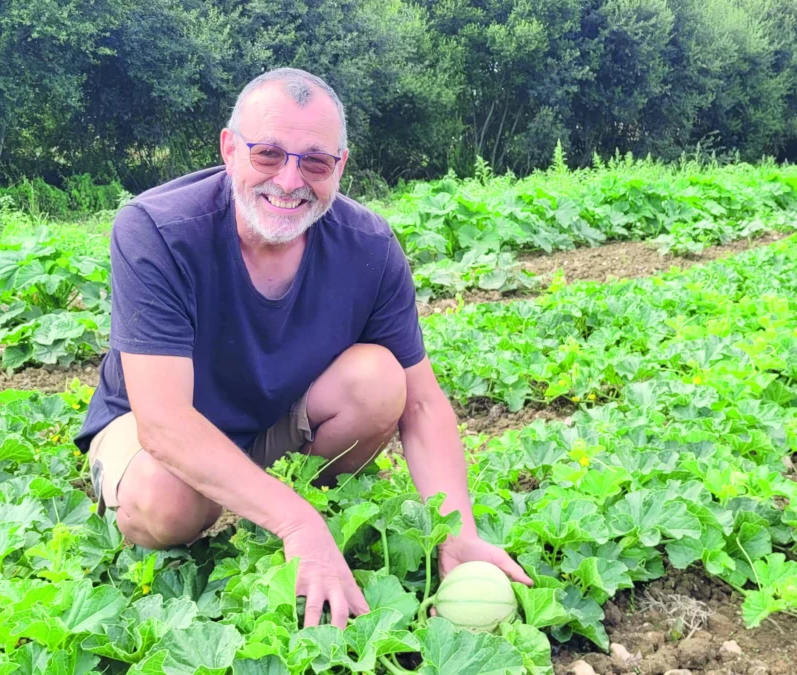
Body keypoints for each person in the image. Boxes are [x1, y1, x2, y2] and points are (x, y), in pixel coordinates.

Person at [72, 67, 530, 630]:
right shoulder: (158, 230)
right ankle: (261, 508)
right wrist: (297, 521)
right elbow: (163, 424)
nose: (289, 181)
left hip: (271, 423)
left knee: (383, 379)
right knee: (170, 500)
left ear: (340, 165)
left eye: (314, 162)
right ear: (229, 149)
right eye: (267, 154)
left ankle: (265, 500)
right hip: (155, 432)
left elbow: (422, 404)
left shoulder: (369, 246)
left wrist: (459, 533)